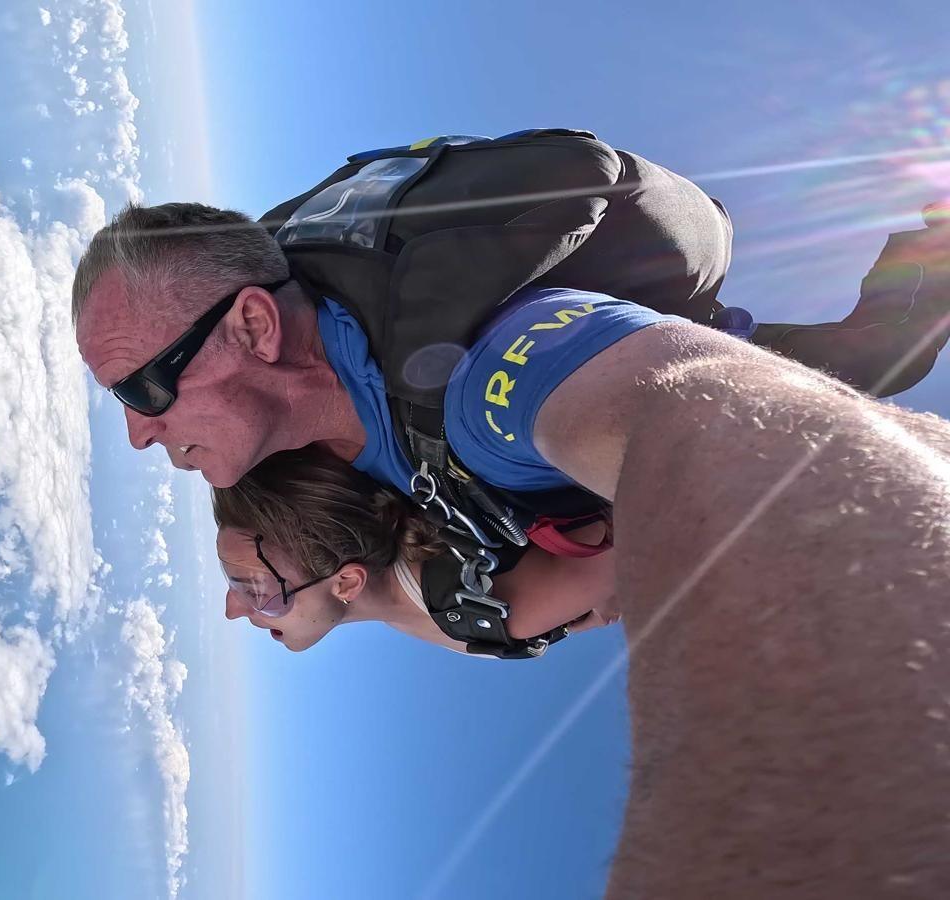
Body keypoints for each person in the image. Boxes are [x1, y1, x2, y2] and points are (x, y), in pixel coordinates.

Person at [72, 191, 950, 893]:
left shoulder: (492, 375)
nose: (139, 435)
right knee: (865, 366)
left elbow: (704, 415)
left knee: (864, 367)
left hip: (680, 365)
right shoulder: (307, 473)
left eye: (141, 390)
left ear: (257, 328)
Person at [209, 446, 619, 654]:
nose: (231, 608)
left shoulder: (493, 607)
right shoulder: (426, 600)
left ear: (347, 581)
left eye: (256, 589)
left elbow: (655, 509)